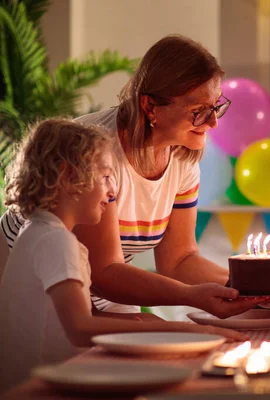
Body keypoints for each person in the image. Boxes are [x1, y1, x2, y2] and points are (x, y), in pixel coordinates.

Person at [0, 35, 260, 317]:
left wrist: (251, 288)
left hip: (98, 283)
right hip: (31, 281)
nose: (213, 122)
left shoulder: (183, 157)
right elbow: (105, 274)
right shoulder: (98, 152)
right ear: (150, 107)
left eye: (215, 106)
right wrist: (191, 299)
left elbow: (180, 259)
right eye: (198, 111)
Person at [0, 119, 247, 393]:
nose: (112, 191)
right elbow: (80, 328)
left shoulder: (37, 232)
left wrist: (139, 321)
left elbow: (73, 315)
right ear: (68, 176)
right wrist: (182, 330)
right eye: (106, 176)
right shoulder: (56, 241)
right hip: (41, 387)